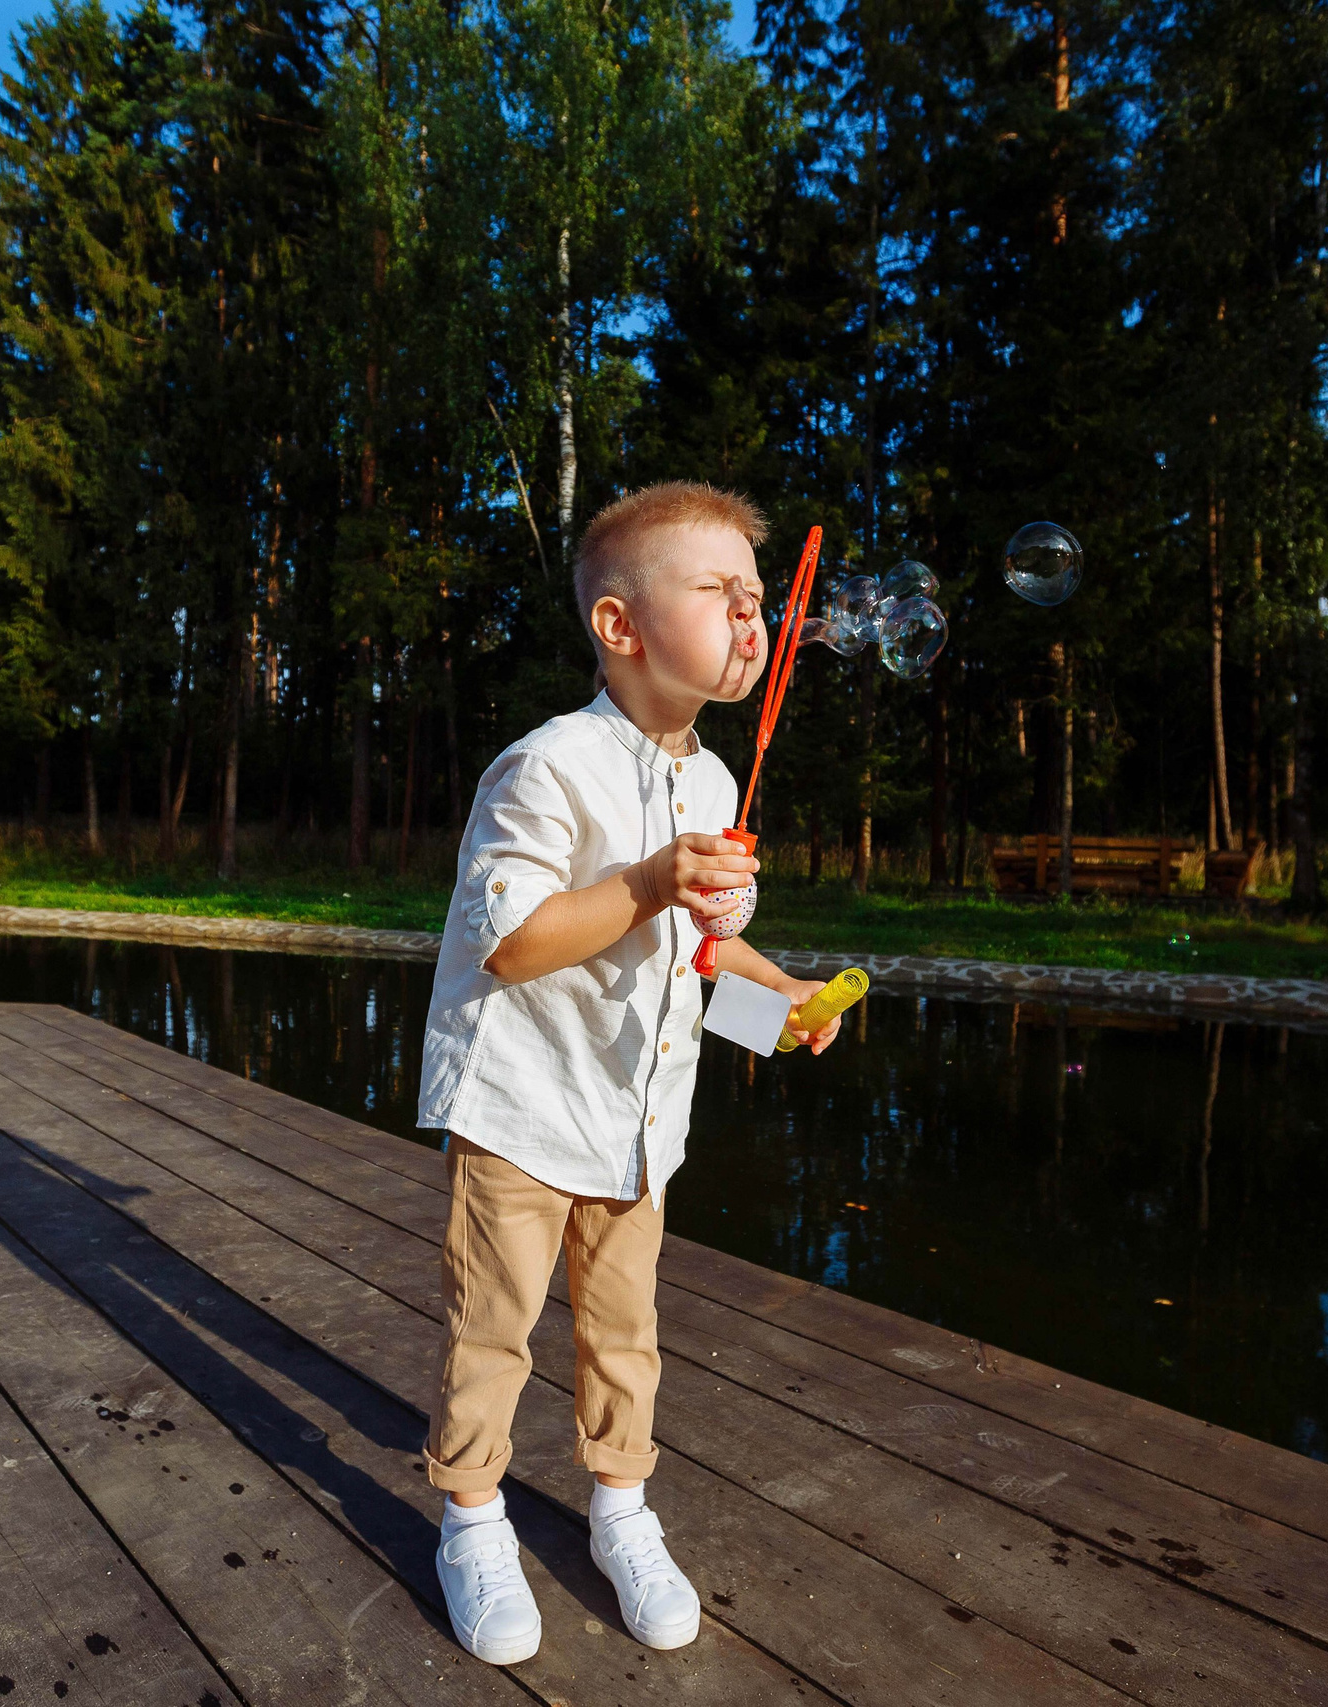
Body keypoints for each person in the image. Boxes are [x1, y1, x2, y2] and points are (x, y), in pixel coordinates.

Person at [417, 481, 844, 1666]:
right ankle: (472, 1517)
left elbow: (699, 948)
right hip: (521, 1106)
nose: (753, 620)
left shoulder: (715, 785)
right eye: (720, 593)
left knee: (626, 1333)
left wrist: (779, 997)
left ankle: (619, 1511)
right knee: (492, 1331)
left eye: (762, 603)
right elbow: (512, 941)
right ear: (621, 626)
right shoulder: (544, 768)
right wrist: (653, 879)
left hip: (638, 1121)